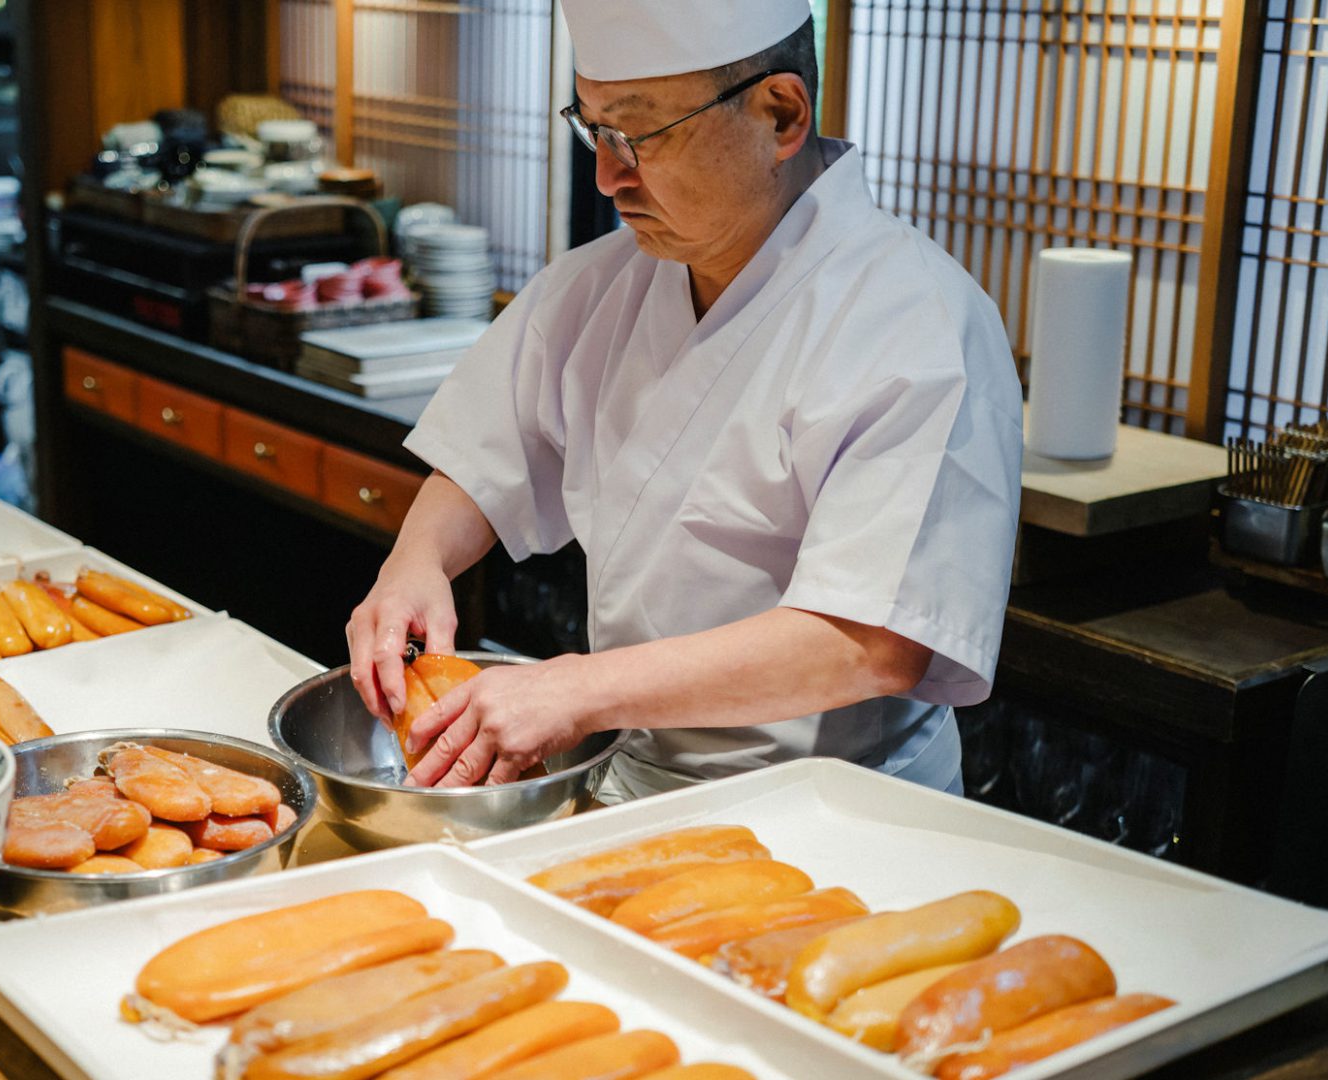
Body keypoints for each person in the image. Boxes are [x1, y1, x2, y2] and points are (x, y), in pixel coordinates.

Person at [343, 0, 1024, 799]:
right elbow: (485, 453)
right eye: (593, 127)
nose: (607, 174)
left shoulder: (917, 323)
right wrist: (413, 564)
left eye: (640, 134)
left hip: (836, 806)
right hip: (631, 783)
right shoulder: (602, 285)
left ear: (780, 115)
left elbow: (868, 641)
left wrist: (578, 690)